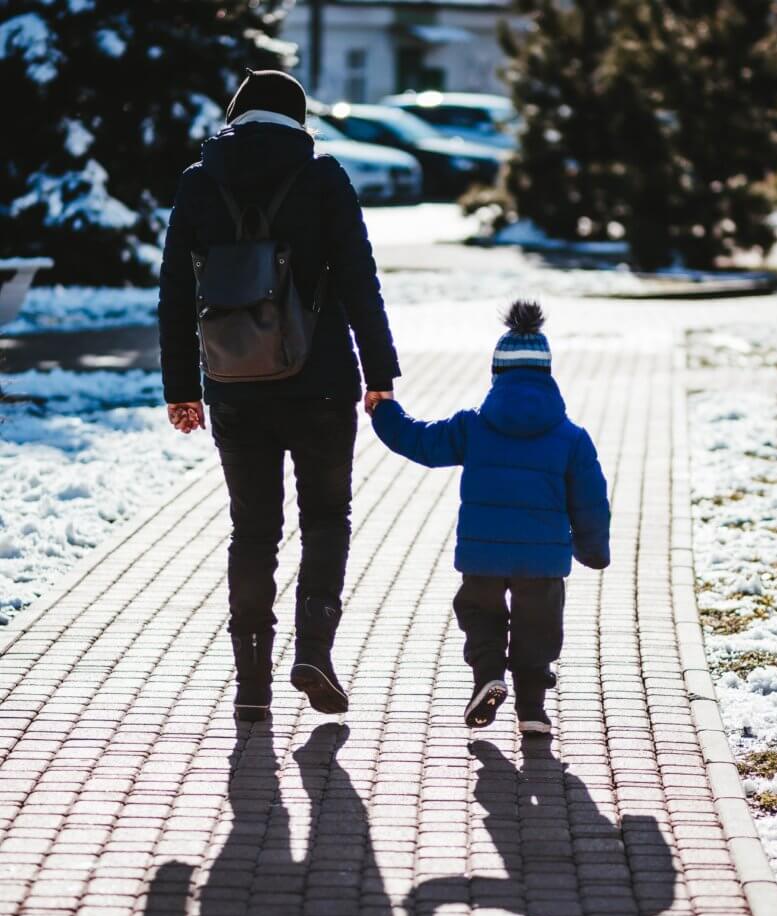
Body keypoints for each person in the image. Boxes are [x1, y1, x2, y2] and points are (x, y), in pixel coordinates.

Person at [159, 70, 399, 720]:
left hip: (233, 385)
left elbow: (177, 292)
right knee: (325, 517)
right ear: (297, 119)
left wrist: (182, 388)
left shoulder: (198, 183)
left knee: (253, 530)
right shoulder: (324, 179)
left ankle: (251, 684)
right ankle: (313, 650)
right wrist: (380, 371)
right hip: (320, 384)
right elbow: (358, 280)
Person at [367, 300, 610, 734]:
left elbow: (419, 442)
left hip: (483, 554)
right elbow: (591, 501)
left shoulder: (471, 427)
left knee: (480, 613)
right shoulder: (571, 438)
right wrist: (593, 550)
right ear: (547, 375)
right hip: (543, 561)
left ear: (497, 373)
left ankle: (488, 677)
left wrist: (384, 410)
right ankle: (532, 709)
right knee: (539, 624)